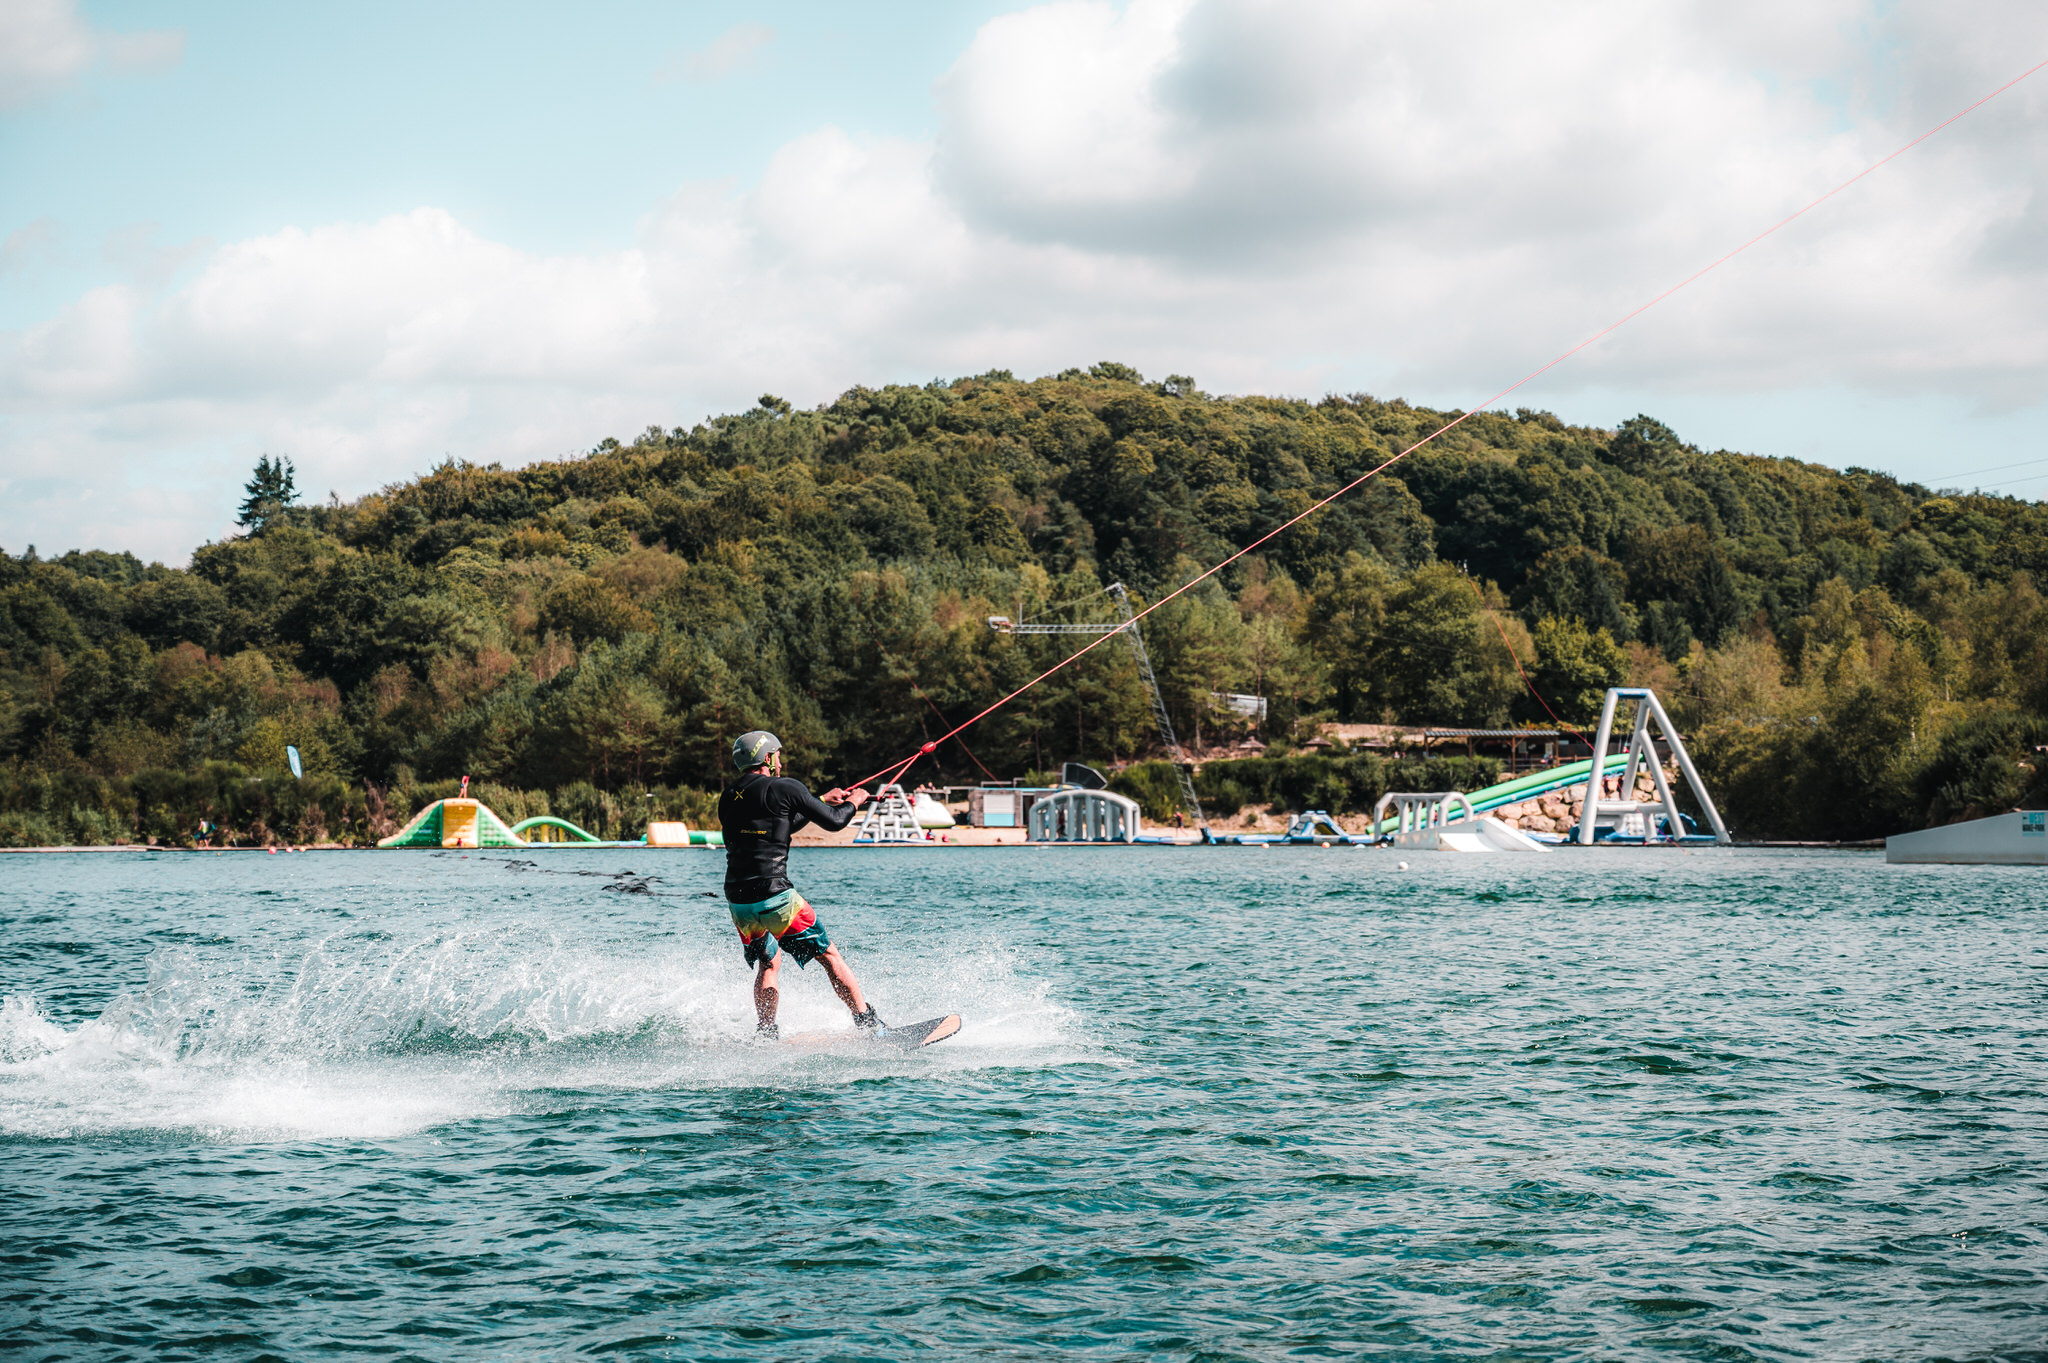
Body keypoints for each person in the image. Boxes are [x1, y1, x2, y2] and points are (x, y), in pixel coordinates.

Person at [719, 730, 881, 1040]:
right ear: (767, 758)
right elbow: (835, 821)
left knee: (769, 962)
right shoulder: (786, 787)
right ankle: (871, 1026)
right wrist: (856, 801)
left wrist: (818, 800)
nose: (780, 760)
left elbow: (780, 824)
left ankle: (766, 1034)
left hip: (738, 900)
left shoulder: (729, 796)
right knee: (829, 956)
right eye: (777, 754)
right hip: (776, 897)